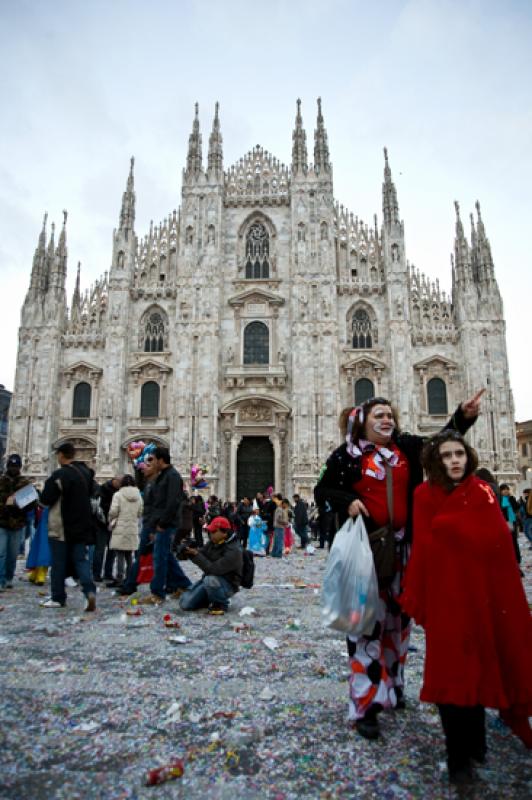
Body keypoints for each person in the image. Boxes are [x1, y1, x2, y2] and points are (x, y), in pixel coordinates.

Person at [314, 390, 483, 739]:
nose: (386, 420)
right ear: (362, 422)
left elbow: (441, 443)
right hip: (368, 553)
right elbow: (323, 489)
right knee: (364, 625)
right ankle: (366, 703)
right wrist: (347, 501)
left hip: (405, 550)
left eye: (390, 414)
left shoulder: (406, 450)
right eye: (379, 415)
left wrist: (462, 417)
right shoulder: (347, 455)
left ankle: (393, 687)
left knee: (399, 623)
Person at [401, 431, 532, 785]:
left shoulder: (483, 493)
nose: (454, 460)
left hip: (484, 597)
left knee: (482, 666)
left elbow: (500, 549)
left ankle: (476, 742)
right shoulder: (424, 496)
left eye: (459, 453)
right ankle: (457, 756)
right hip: (448, 599)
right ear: (435, 462)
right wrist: (420, 595)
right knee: (451, 676)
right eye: (446, 456)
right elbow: (423, 548)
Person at [40, 441, 97, 611]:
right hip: (81, 526)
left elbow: (44, 500)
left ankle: (58, 598)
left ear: (60, 455)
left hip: (62, 527)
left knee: (58, 563)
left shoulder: (59, 475)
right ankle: (89, 592)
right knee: (81, 561)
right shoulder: (85, 474)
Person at [139, 447, 191, 605]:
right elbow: (159, 503)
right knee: (166, 555)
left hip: (166, 523)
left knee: (159, 557)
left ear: (161, 460)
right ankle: (183, 585)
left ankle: (157, 593)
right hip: (161, 522)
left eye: (153, 459)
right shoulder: (164, 476)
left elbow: (173, 502)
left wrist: (162, 524)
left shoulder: (173, 476)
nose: (151, 462)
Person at [178, 516, 243, 615]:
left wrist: (196, 554)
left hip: (227, 584)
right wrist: (188, 551)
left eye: (213, 532)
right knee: (185, 603)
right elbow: (202, 553)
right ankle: (210, 598)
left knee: (210, 579)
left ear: (224, 533)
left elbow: (213, 569)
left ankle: (221, 604)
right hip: (212, 581)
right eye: (209, 532)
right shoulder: (214, 542)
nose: (210, 534)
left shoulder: (234, 550)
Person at [115, 454, 158, 596]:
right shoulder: (145, 488)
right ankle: (130, 582)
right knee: (145, 554)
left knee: (142, 555)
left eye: (148, 465)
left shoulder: (156, 484)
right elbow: (142, 509)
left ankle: (129, 582)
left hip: (150, 525)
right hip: (140, 525)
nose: (144, 468)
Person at [0, 454, 33, 591]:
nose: (13, 469)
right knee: (1, 552)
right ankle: (1, 579)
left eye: (16, 466)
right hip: (1, 522)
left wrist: (18, 503)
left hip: (17, 523)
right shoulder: (1, 481)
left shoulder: (25, 483)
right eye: (11, 466)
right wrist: (5, 503)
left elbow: (32, 504)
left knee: (12, 553)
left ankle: (8, 577)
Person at [107, 475, 143, 586]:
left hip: (120, 527)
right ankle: (130, 577)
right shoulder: (138, 496)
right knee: (129, 555)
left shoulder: (118, 495)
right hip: (132, 527)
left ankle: (119, 578)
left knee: (120, 554)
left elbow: (113, 511)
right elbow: (140, 512)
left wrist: (111, 519)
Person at [499, 483, 522, 570]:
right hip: (504, 522)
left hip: (512, 521)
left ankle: (517, 559)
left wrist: (511, 500)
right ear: (500, 491)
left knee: (514, 540)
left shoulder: (511, 498)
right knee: (507, 541)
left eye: (507, 489)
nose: (506, 491)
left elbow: (517, 507)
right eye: (504, 489)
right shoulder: (500, 499)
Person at [271, 494, 288, 558]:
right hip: (279, 527)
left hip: (278, 527)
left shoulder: (279, 509)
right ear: (284, 503)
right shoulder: (280, 509)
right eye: (286, 504)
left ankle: (274, 554)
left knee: (276, 541)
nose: (286, 506)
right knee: (280, 541)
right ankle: (278, 554)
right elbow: (278, 519)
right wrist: (285, 522)